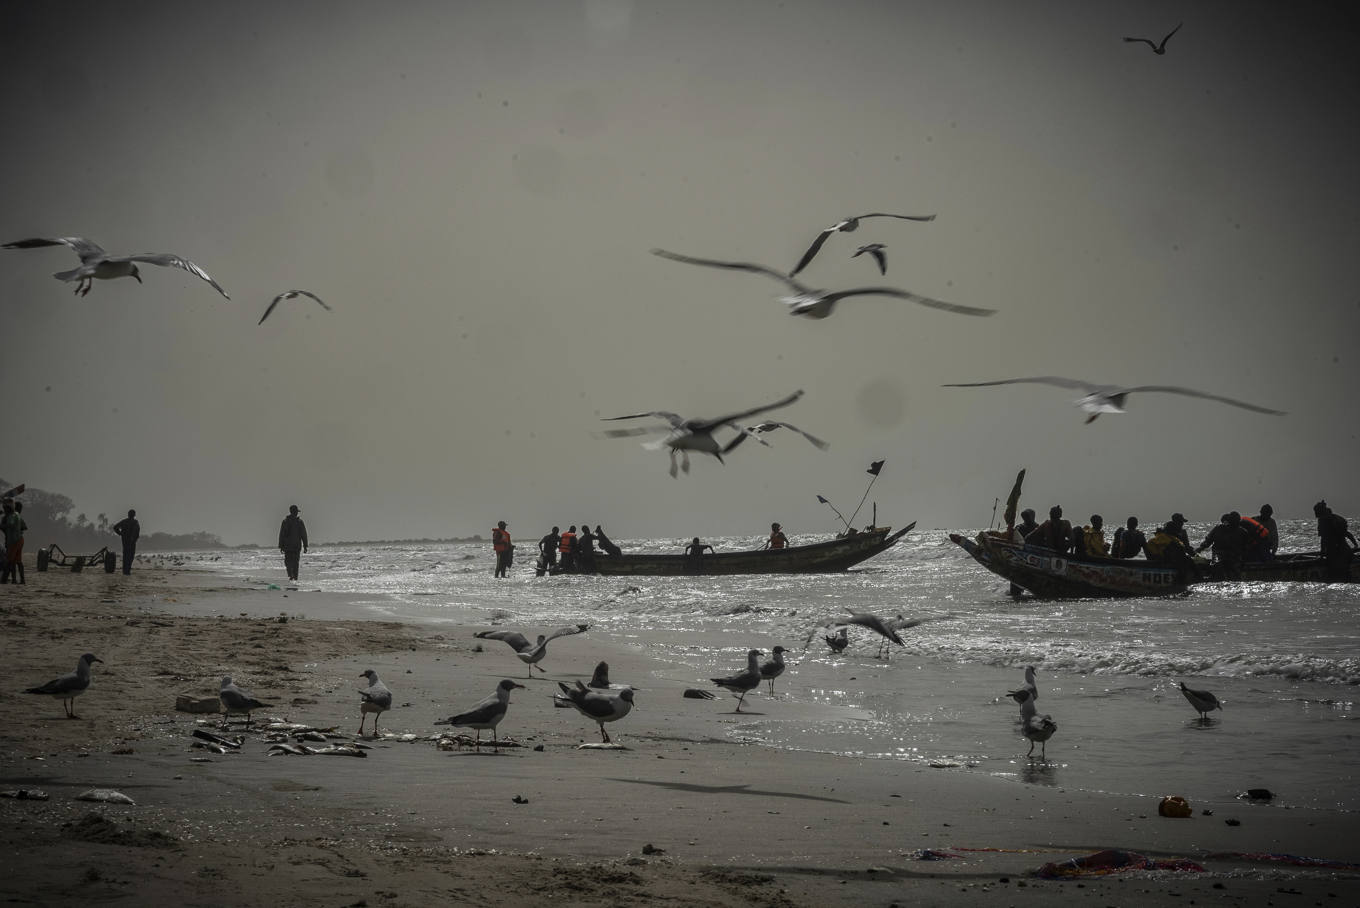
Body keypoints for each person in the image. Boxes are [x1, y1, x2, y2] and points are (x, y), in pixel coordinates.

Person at [1314, 500, 1358, 581]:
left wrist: (1321, 554)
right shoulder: (1338, 519)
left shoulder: (1323, 519)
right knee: (1345, 573)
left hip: (1335, 553)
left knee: (1336, 576)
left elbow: (1324, 538)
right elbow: (1347, 533)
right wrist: (1355, 544)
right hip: (1346, 551)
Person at [1196, 512, 1248, 580]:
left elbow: (1245, 548)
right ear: (1229, 520)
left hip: (1234, 556)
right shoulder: (1219, 528)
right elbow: (1209, 540)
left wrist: (1243, 560)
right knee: (1217, 564)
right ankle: (1215, 581)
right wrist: (1201, 548)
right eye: (1234, 521)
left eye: (1237, 521)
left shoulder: (1243, 532)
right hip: (1219, 554)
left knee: (1234, 571)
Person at [278, 505, 309, 581]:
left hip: (287, 545)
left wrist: (281, 545)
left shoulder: (285, 522)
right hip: (296, 546)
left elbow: (282, 534)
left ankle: (290, 574)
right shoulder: (299, 522)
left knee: (288, 561)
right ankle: (295, 577)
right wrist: (305, 546)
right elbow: (303, 534)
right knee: (295, 563)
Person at [1, 498, 26, 584]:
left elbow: (9, 525)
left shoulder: (11, 516)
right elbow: (24, 527)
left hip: (13, 540)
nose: (5, 510)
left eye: (6, 508)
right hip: (20, 539)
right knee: (18, 561)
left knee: (9, 561)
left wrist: (1, 526)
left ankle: (4, 580)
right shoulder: (18, 515)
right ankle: (22, 580)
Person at [113, 509, 140, 576]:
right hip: (131, 542)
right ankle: (127, 571)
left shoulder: (124, 522)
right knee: (130, 557)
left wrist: (120, 533)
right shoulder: (135, 522)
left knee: (125, 557)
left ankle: (125, 571)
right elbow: (137, 530)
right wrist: (135, 538)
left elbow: (115, 527)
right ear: (134, 515)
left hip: (124, 542)